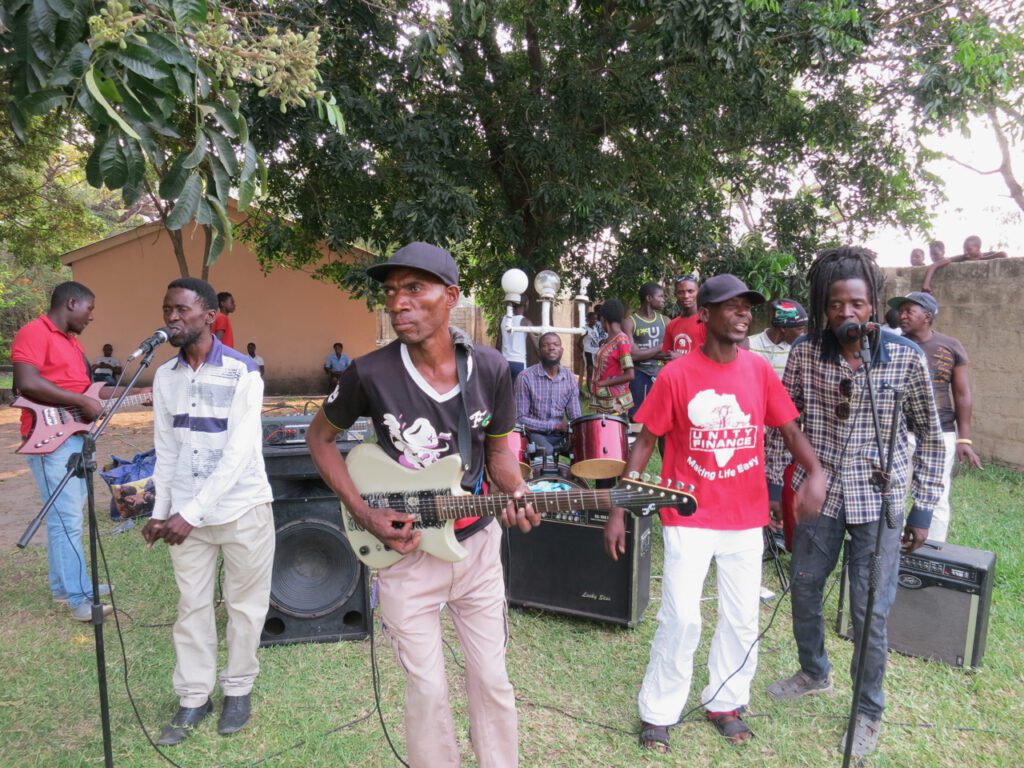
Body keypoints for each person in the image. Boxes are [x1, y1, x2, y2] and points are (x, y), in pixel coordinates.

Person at [304, 242, 540, 768]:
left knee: (493, 681)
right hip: (404, 551)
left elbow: (499, 452)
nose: (398, 303)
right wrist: (364, 514)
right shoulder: (368, 373)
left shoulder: (493, 368)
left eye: (414, 289)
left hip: (476, 546)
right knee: (428, 692)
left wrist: (517, 489)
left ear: (450, 297)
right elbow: (319, 439)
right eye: (391, 292)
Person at [604, 274, 825, 753]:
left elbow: (790, 432)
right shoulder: (676, 374)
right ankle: (658, 711)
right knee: (681, 618)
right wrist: (620, 509)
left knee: (742, 618)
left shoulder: (760, 371)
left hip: (745, 519)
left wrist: (816, 473)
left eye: (748, 306)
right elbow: (645, 442)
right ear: (704, 314)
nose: (744, 313)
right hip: (688, 515)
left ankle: (725, 701)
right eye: (732, 306)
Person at [765, 246, 945, 759]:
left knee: (870, 611)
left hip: (879, 500)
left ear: (874, 306)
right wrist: (775, 485)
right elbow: (784, 421)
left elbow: (929, 437)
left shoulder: (905, 357)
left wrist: (923, 508)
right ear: (824, 306)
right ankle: (813, 671)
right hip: (818, 495)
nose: (848, 313)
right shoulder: (804, 353)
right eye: (837, 305)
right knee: (802, 587)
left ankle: (867, 711)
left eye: (858, 305)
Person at [144, 278, 275, 745]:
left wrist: (190, 513)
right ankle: (194, 697)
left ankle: (238, 690)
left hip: (242, 508)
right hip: (184, 515)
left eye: (181, 309)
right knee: (191, 607)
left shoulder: (244, 372)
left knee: (244, 606)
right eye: (167, 309)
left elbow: (239, 453)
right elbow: (166, 449)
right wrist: (162, 511)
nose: (172, 317)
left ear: (208, 316)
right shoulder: (164, 377)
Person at [11, 281, 112, 622]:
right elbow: (25, 383)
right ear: (72, 303)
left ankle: (63, 585)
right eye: (90, 309)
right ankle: (80, 596)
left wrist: (138, 391)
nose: (92, 316)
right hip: (49, 437)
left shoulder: (71, 342)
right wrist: (80, 401)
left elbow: (88, 391)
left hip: (73, 435)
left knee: (64, 517)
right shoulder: (34, 332)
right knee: (67, 519)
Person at [890, 291, 983, 541]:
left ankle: (933, 552)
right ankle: (890, 549)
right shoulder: (891, 343)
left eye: (910, 310)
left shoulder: (950, 346)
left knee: (937, 496)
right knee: (892, 491)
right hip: (896, 432)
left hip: (939, 432)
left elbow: (962, 394)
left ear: (927, 316)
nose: (903, 315)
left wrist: (964, 440)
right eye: (901, 310)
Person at [514, 332, 582, 459]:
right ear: (539, 351)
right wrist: (555, 425)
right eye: (546, 345)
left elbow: (575, 417)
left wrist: (577, 428)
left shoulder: (569, 378)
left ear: (561, 350)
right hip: (534, 433)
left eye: (556, 344)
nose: (551, 348)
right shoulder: (525, 377)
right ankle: (546, 478)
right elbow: (520, 418)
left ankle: (577, 478)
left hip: (561, 435)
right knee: (547, 452)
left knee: (587, 448)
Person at [622, 282, 668, 419]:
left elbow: (669, 353)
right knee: (637, 419)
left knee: (663, 419)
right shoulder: (630, 322)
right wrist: (659, 348)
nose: (663, 299)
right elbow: (632, 356)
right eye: (660, 296)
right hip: (640, 376)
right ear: (649, 298)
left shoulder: (665, 321)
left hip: (662, 375)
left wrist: (644, 353)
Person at [742, 298, 808, 379]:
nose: (802, 334)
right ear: (783, 328)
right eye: (800, 329)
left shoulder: (797, 351)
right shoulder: (748, 345)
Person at [590, 299, 634, 416]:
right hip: (604, 402)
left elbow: (630, 374)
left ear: (603, 319)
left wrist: (603, 383)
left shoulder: (622, 341)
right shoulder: (609, 341)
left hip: (616, 404)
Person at [922, 235, 1008, 293]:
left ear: (978, 248)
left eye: (969, 249)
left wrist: (980, 259)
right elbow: (935, 265)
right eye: (964, 249)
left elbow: (1003, 254)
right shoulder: (963, 257)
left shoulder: (988, 255)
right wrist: (926, 284)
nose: (966, 252)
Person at [661, 275, 706, 359]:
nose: (686, 296)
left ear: (698, 292)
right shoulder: (672, 324)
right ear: (675, 295)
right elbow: (667, 355)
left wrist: (681, 358)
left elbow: (716, 358)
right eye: (680, 292)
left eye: (690, 291)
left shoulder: (707, 321)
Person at [499, 296, 530, 383]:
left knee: (506, 392)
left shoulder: (503, 319)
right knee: (519, 392)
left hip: (504, 361)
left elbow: (498, 344)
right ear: (526, 304)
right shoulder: (525, 321)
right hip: (519, 362)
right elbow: (536, 346)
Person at [580, 310, 602, 394]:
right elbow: (579, 342)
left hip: (596, 352)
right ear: (588, 319)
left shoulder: (595, 328)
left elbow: (596, 340)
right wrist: (583, 351)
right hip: (588, 352)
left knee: (597, 371)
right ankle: (590, 391)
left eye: (596, 319)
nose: (594, 321)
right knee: (590, 371)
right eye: (592, 319)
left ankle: (595, 389)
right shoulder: (585, 329)